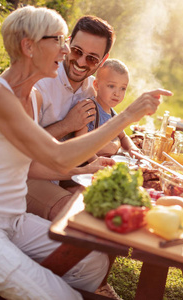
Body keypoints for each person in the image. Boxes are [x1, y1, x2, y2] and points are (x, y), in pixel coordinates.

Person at [0, 6, 171, 300]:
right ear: (29, 46)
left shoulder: (26, 95)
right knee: (63, 296)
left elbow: (38, 161)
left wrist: (89, 165)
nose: (67, 50)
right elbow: (56, 156)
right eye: (59, 40)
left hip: (14, 220)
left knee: (93, 263)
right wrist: (128, 115)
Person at [26, 15, 116, 221]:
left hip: (61, 174)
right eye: (77, 51)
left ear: (103, 60)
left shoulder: (92, 89)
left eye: (92, 58)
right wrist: (67, 125)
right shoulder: (41, 83)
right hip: (25, 176)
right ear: (67, 43)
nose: (81, 62)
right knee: (78, 215)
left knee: (107, 205)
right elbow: (24, 151)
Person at [74, 58, 141, 157]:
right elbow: (80, 142)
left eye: (122, 88)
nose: (117, 93)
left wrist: (132, 148)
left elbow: (123, 137)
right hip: (87, 164)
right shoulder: (89, 109)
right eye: (111, 86)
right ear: (96, 85)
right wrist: (95, 162)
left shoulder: (113, 115)